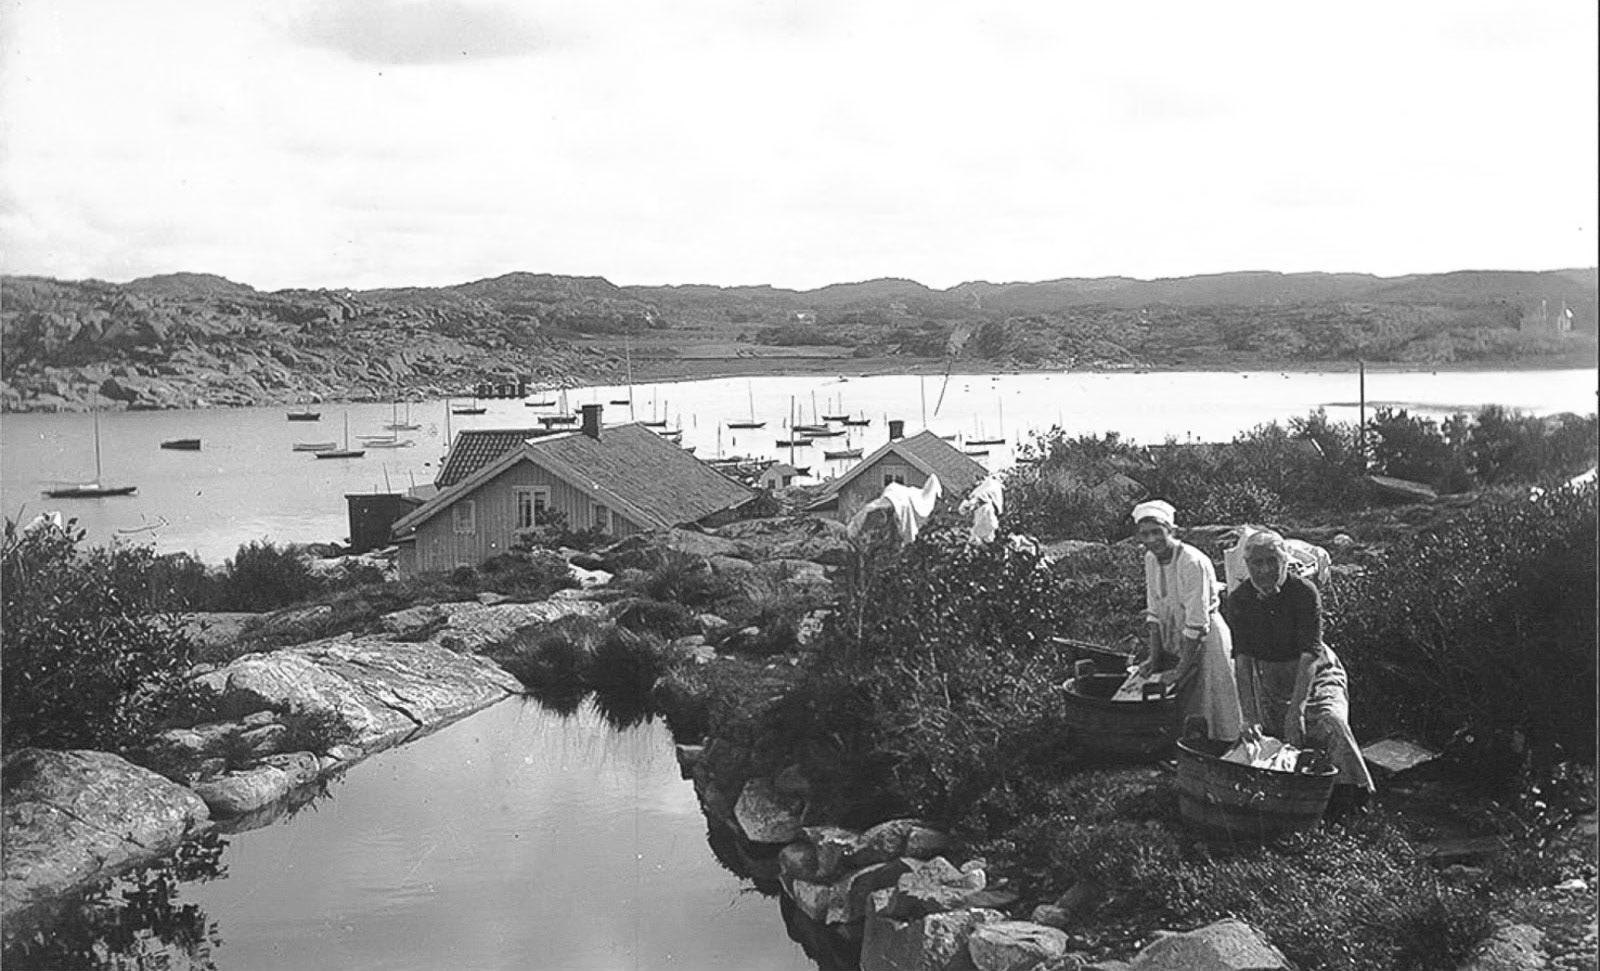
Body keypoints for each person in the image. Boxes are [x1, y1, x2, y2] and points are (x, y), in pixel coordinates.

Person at [1223, 529, 1374, 809]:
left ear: (1284, 560)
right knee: (1272, 738)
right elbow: (1242, 661)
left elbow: (1310, 655)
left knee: (1331, 722)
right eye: (1257, 563)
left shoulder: (1303, 592)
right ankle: (1300, 801)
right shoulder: (1239, 600)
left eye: (1272, 561)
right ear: (1247, 565)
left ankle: (1353, 798)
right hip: (1270, 676)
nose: (1265, 570)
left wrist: (1297, 709)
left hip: (1316, 672)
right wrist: (1249, 715)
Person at [1132, 500, 1242, 742]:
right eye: (1145, 534)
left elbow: (1197, 622)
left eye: (1157, 532)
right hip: (1174, 634)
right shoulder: (1151, 559)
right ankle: (1182, 749)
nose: (1151, 540)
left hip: (1206, 638)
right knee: (1181, 706)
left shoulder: (1191, 562)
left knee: (1211, 704)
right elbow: (1154, 611)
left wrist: (1181, 669)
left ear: (1171, 530)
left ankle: (1217, 749)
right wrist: (1154, 657)